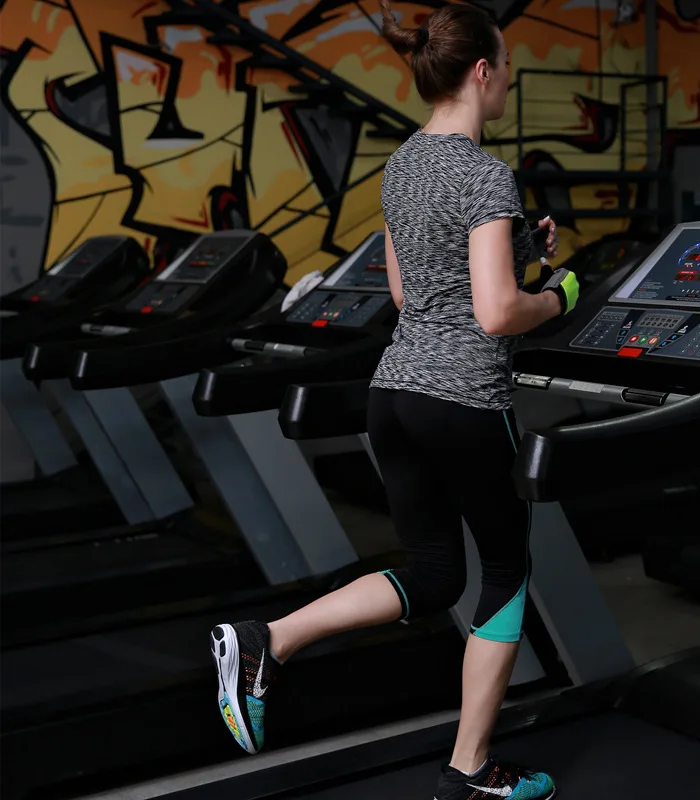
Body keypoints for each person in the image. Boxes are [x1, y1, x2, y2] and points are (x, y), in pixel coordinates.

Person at [209, 3, 580, 799]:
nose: (508, 79)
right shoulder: (486, 175)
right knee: (506, 572)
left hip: (396, 395)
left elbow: (414, 295)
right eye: (505, 65)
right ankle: (470, 770)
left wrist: (516, 248)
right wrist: (560, 294)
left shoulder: (402, 165)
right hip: (465, 398)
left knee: (435, 574)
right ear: (480, 71)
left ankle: (270, 639)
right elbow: (496, 313)